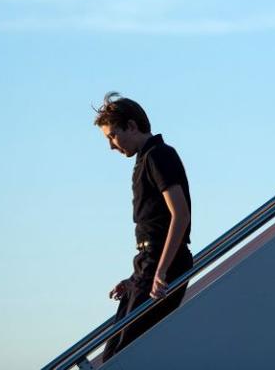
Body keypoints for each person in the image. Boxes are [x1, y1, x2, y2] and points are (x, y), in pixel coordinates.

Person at [94, 92, 193, 362]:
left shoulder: (159, 156)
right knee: (113, 353)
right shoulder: (143, 160)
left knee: (127, 354)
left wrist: (161, 271)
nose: (112, 146)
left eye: (113, 136)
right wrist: (134, 278)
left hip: (163, 263)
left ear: (132, 126)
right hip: (146, 263)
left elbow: (180, 215)